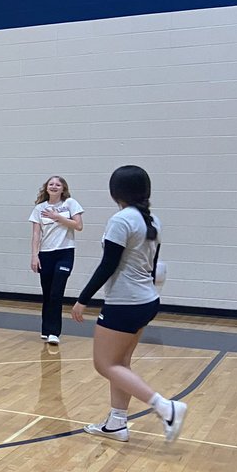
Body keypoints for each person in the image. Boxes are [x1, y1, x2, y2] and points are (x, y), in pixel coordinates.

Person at [71, 165, 186, 443]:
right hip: (147, 300)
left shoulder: (121, 220)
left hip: (125, 302)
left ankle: (165, 407)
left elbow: (108, 264)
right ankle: (117, 423)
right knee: (120, 362)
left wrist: (82, 299)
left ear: (115, 191)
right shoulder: (152, 220)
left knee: (104, 364)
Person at [29, 176, 84, 345]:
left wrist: (57, 217)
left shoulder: (70, 203)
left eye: (57, 184)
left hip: (64, 253)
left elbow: (79, 225)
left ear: (63, 188)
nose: (54, 186)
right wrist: (34, 255)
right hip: (46, 254)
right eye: (51, 184)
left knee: (56, 292)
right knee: (47, 293)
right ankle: (46, 329)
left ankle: (54, 332)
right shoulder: (39, 208)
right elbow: (36, 234)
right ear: (46, 188)